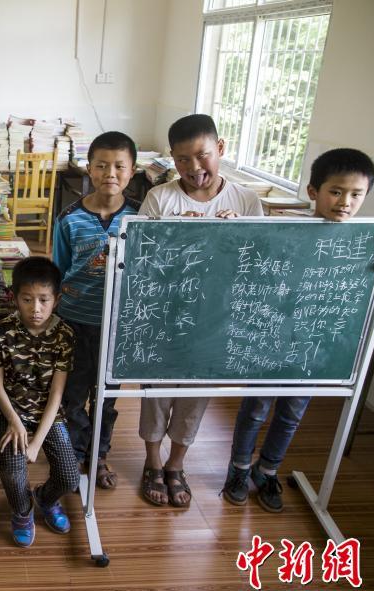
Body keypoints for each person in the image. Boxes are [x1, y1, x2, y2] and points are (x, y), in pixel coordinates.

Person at [221, 147, 374, 513]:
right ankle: (239, 468)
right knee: (256, 408)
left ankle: (268, 469)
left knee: (292, 412)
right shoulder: (283, 230)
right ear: (312, 191)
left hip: (314, 346)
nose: (345, 202)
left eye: (356, 195)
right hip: (270, 337)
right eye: (336, 191)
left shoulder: (364, 240)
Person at [138, 113, 263, 508]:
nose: (194, 168)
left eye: (202, 156)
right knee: (156, 393)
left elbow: (260, 263)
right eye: (182, 160)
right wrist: (174, 238)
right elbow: (139, 258)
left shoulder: (245, 200)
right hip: (166, 318)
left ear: (220, 149)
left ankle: (177, 464)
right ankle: (152, 462)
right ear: (172, 161)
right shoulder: (162, 198)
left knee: (196, 397)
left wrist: (237, 234)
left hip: (214, 323)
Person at [52, 131, 140, 489]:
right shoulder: (69, 217)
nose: (110, 173)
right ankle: (73, 453)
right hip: (75, 320)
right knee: (74, 394)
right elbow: (57, 273)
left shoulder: (138, 218)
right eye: (102, 165)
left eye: (120, 166)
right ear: (89, 169)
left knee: (107, 395)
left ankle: (98, 455)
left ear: (132, 171)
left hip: (116, 324)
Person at [0, 256, 78, 548]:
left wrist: (36, 441)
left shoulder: (64, 335)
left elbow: (56, 395)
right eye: (27, 299)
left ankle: (44, 498)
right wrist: (14, 421)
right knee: (13, 473)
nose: (35, 309)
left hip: (48, 414)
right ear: (14, 298)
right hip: (10, 410)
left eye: (43, 300)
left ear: (56, 299)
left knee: (69, 478)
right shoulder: (2, 331)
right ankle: (22, 511)